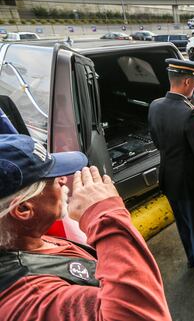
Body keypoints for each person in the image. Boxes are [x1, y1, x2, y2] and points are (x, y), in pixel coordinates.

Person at [0, 135, 171, 320]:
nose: (63, 179)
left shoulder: (26, 240)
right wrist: (105, 214)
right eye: (51, 179)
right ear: (24, 209)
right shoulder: (28, 297)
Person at [148, 59, 194, 273]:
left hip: (167, 175)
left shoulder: (155, 105)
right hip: (189, 180)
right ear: (188, 81)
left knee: (182, 221)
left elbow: (157, 142)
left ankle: (192, 256)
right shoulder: (191, 113)